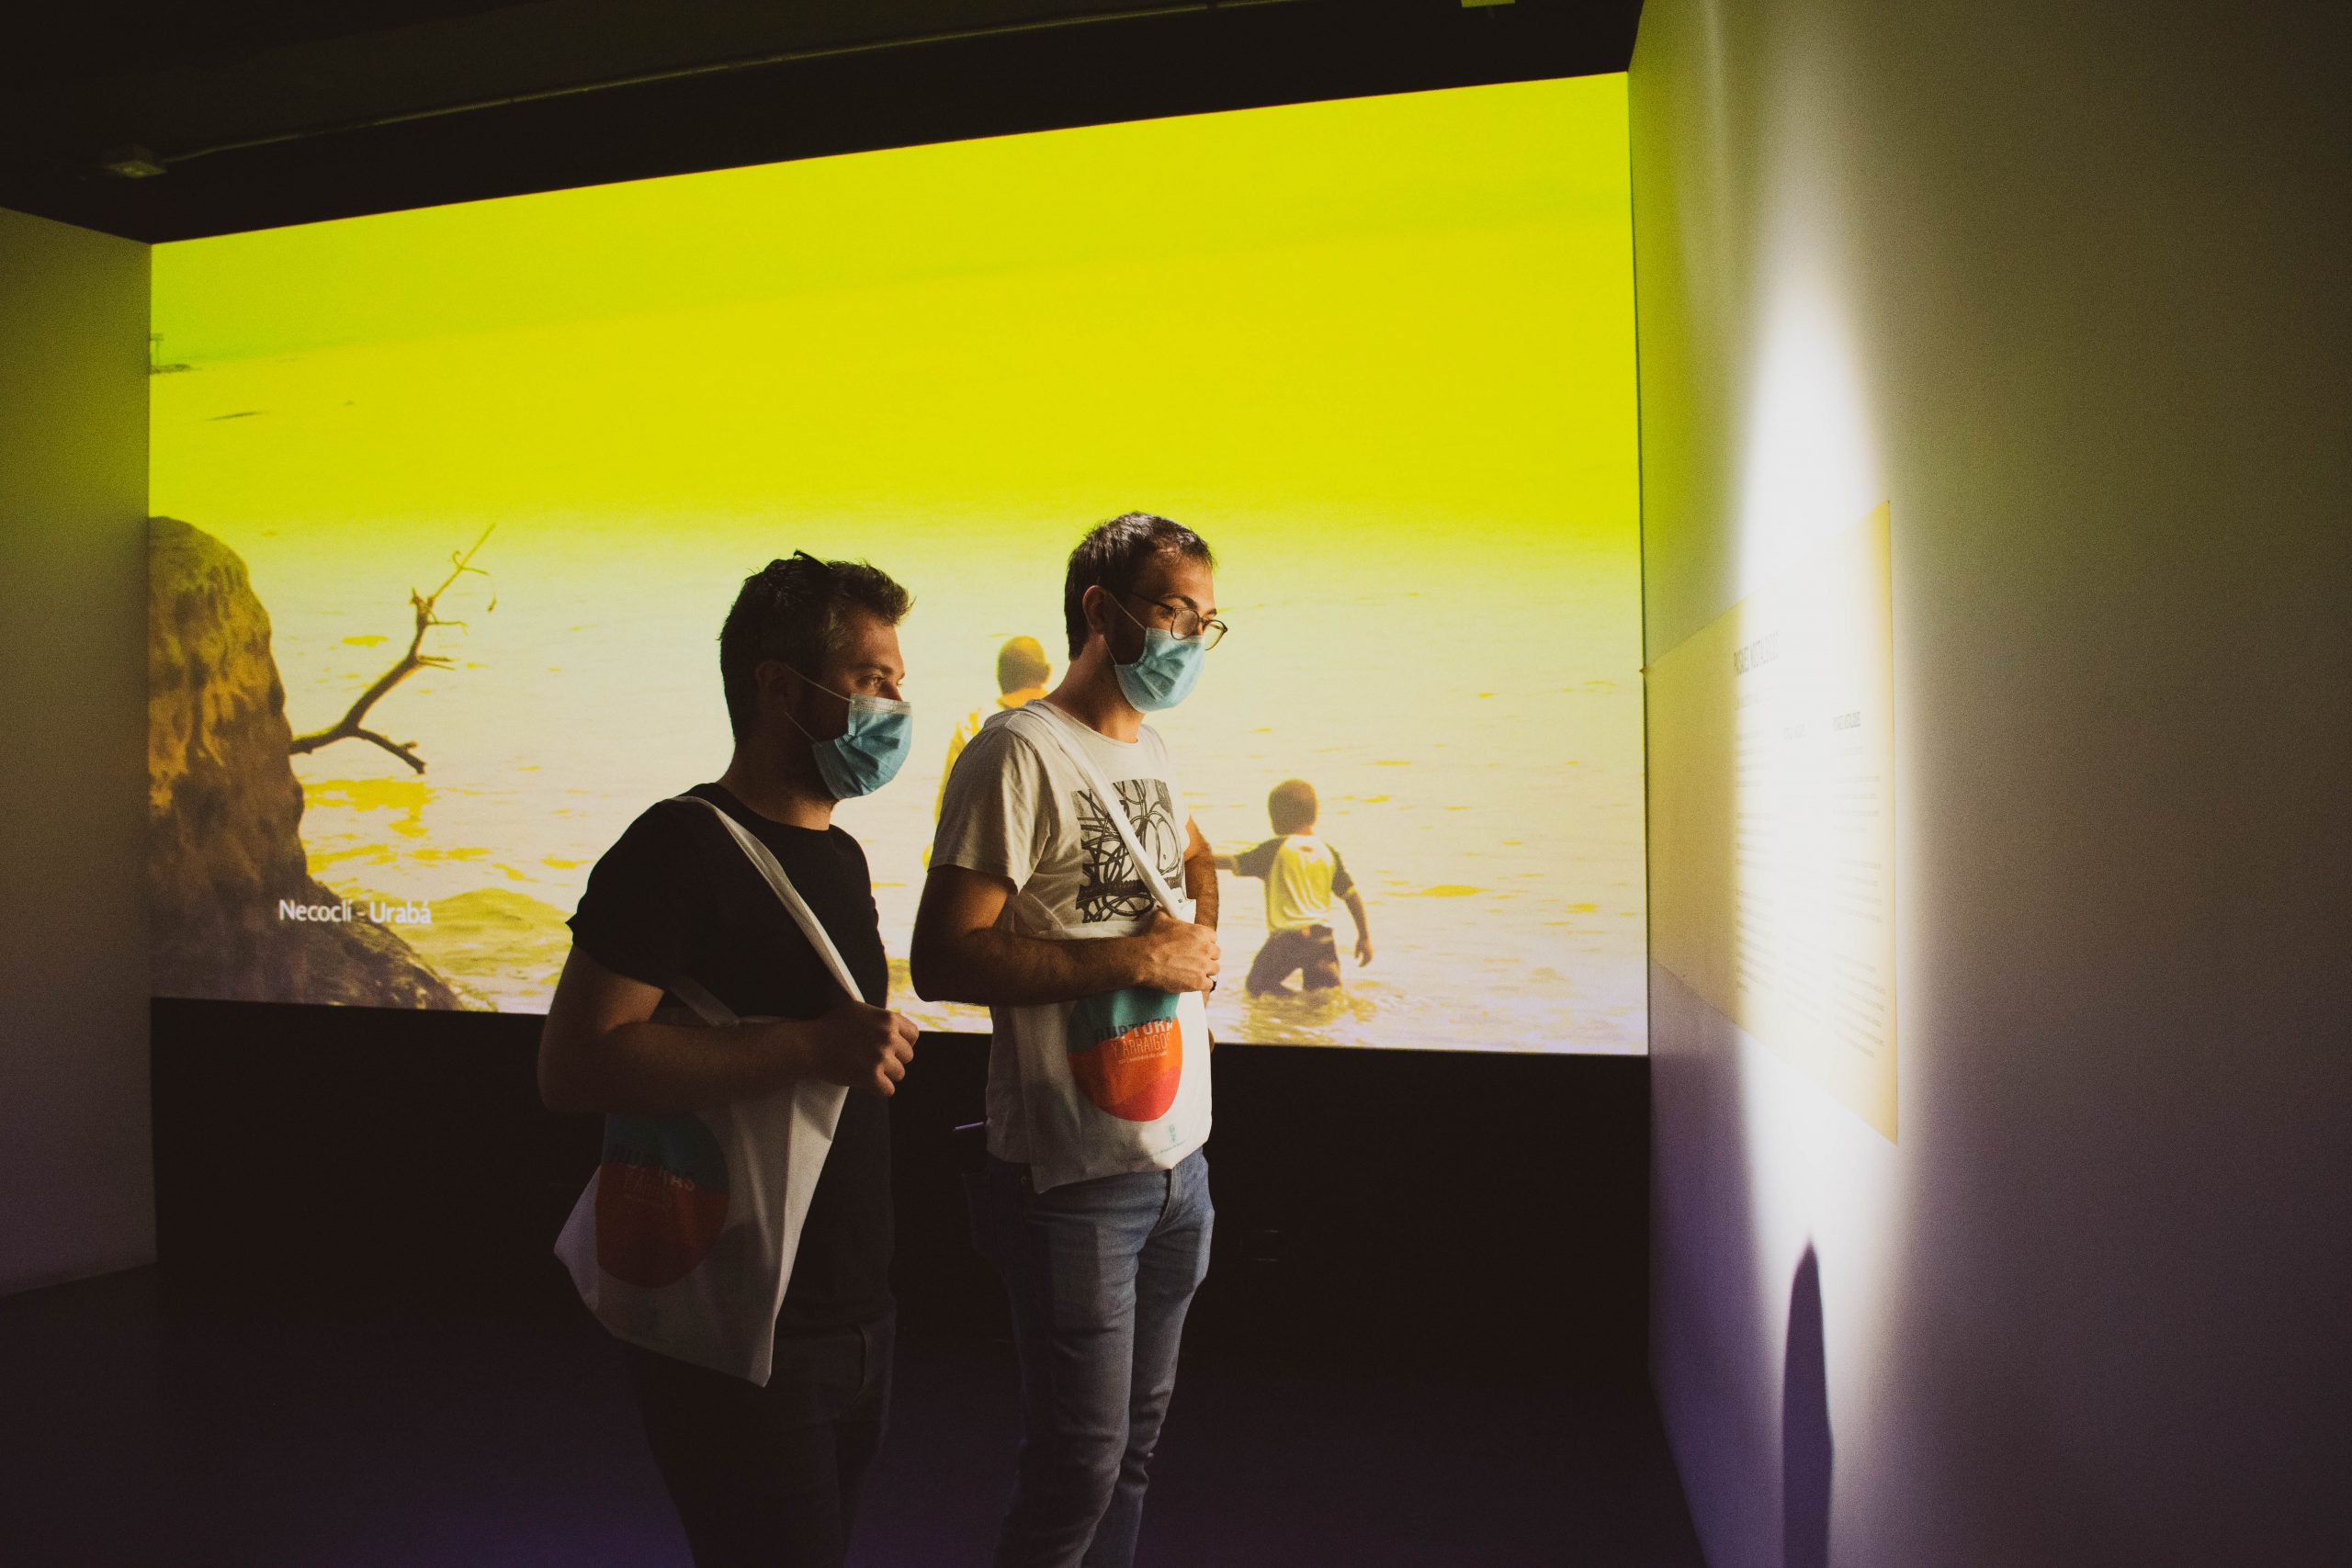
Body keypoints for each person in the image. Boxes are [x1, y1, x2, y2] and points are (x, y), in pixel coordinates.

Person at [538, 551, 922, 1568]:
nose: (896, 707)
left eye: (898, 683)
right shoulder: (676, 846)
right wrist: (808, 1044)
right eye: (872, 680)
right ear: (778, 687)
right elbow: (576, 1063)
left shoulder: (839, 854)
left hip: (855, 1314)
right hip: (736, 1315)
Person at [912, 512, 1227, 1568]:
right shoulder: (1015, 752)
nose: (1191, 639)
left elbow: (1196, 858)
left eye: (1206, 622)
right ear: (1101, 611)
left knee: (1134, 1450)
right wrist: (1141, 959)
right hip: (1071, 1178)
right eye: (1174, 611)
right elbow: (945, 959)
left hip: (1179, 1162)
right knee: (1077, 1468)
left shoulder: (1154, 750)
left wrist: (1200, 940)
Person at [1216, 778, 1374, 994]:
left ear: (1277, 819)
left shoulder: (1275, 850)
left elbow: (1232, 862)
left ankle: (1291, 1005)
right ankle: (1303, 1011)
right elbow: (1351, 895)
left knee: (1256, 988)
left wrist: (1192, 857)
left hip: (1288, 939)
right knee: (1321, 996)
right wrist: (1364, 937)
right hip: (1323, 938)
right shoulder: (1328, 852)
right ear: (1314, 816)